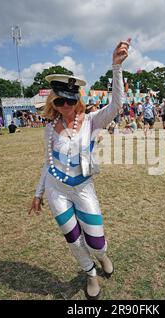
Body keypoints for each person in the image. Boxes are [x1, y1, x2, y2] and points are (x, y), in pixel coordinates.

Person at [29, 40, 129, 300]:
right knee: (73, 238)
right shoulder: (50, 128)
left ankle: (102, 256)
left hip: (83, 187)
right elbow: (47, 162)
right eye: (60, 101)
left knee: (95, 238)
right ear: (53, 102)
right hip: (56, 189)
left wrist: (116, 67)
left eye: (70, 101)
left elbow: (117, 105)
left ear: (78, 100)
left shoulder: (93, 121)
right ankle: (91, 274)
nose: (66, 107)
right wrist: (38, 193)